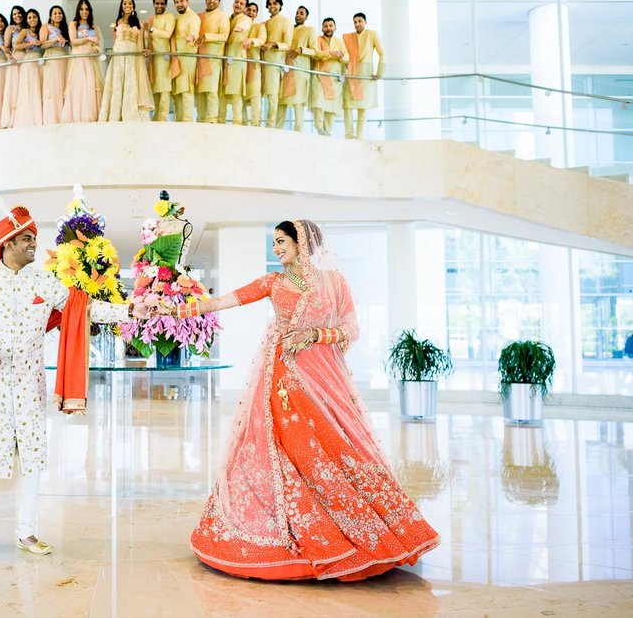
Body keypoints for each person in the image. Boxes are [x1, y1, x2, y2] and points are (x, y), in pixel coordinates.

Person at [166, 219, 440, 580]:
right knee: (291, 447)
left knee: (339, 445)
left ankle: (362, 527)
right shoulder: (272, 283)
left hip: (325, 376)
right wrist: (173, 311)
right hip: (282, 376)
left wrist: (313, 334)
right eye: (274, 243)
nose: (276, 249)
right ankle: (292, 524)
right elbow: (223, 301)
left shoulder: (335, 283)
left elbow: (351, 329)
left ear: (303, 243)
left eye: (281, 242)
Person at [0, 205, 138, 556]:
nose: (34, 244)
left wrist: (130, 310)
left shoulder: (44, 282)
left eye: (35, 238)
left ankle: (27, 532)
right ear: (6, 243)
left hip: (30, 388)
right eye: (27, 238)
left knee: (32, 456)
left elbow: (84, 308)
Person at [98, 0, 153, 121]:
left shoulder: (138, 24)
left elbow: (143, 43)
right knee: (118, 82)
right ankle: (115, 114)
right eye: (125, 3)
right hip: (119, 54)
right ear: (121, 6)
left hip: (132, 55)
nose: (127, 5)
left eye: (130, 3)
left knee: (131, 81)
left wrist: (145, 32)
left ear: (133, 6)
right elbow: (115, 41)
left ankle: (130, 113)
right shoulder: (116, 23)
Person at [343, 12, 386, 140]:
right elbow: (344, 56)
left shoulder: (372, 34)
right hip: (351, 71)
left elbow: (382, 53)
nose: (357, 24)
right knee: (347, 105)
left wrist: (379, 73)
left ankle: (359, 136)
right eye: (355, 22)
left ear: (365, 22)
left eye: (360, 21)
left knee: (363, 106)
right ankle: (349, 135)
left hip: (366, 73)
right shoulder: (348, 37)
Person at [61, 0, 103, 123]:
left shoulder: (95, 27)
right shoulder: (73, 24)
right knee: (79, 84)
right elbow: (73, 41)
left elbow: (98, 43)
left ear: (90, 11)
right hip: (78, 57)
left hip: (91, 58)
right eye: (82, 9)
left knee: (91, 83)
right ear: (78, 10)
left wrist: (96, 49)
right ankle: (77, 115)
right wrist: (87, 39)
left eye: (86, 9)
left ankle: (93, 114)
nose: (84, 12)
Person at [276, 5, 316, 131]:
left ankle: (298, 130)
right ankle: (276, 130)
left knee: (298, 102)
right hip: (285, 70)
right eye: (297, 12)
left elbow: (315, 51)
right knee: (281, 101)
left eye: (302, 13)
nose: (298, 15)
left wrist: (301, 49)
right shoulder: (289, 29)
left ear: (306, 17)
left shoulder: (309, 30)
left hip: (300, 71)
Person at [194, 0, 229, 124]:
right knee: (200, 92)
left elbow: (224, 36)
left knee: (212, 91)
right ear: (206, 0)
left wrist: (206, 36)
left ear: (219, 2)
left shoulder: (222, 16)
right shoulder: (199, 17)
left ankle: (212, 120)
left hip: (213, 59)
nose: (212, 1)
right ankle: (201, 119)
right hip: (199, 58)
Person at [311, 17, 347, 136]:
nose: (328, 28)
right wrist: (332, 54)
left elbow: (346, 58)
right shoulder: (317, 39)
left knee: (331, 108)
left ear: (335, 27)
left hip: (333, 79)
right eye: (325, 26)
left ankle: (327, 134)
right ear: (322, 28)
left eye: (331, 26)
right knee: (318, 103)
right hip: (319, 76)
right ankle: (319, 128)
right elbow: (316, 54)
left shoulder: (339, 42)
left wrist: (340, 56)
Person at [220, 0, 252, 126]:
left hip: (237, 58)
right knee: (222, 92)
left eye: (242, 3)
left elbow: (245, 24)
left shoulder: (245, 19)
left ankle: (237, 121)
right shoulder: (228, 19)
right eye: (236, 2)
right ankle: (220, 120)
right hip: (225, 57)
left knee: (236, 92)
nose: (238, 5)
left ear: (245, 8)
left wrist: (240, 28)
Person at [260, 0, 292, 128]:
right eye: (270, 4)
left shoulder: (286, 22)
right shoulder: (264, 24)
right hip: (262, 62)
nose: (272, 6)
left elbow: (287, 44)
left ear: (280, 5)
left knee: (273, 95)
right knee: (262, 94)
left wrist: (273, 44)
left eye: (275, 3)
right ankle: (261, 124)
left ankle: (271, 126)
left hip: (275, 63)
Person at [144, 0, 176, 121]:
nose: (159, 6)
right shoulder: (151, 19)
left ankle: (162, 118)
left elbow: (167, 34)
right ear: (153, 4)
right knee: (155, 88)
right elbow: (147, 38)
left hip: (164, 57)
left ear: (166, 5)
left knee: (164, 89)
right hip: (152, 58)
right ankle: (155, 118)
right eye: (157, 3)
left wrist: (151, 30)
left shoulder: (170, 17)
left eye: (162, 3)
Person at [171, 0, 201, 122]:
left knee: (187, 89)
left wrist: (192, 37)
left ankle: (187, 121)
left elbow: (195, 32)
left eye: (182, 1)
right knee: (178, 91)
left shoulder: (193, 16)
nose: (179, 4)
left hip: (188, 57)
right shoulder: (178, 18)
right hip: (178, 58)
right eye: (176, 2)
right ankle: (179, 121)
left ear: (188, 2)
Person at [12, 9, 44, 128]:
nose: (32, 19)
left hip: (40, 62)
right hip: (29, 61)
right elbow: (16, 44)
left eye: (34, 17)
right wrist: (31, 44)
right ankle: (29, 118)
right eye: (29, 17)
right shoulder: (25, 31)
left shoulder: (42, 31)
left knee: (40, 87)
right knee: (30, 87)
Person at [40, 5, 70, 125]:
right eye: (55, 13)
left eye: (60, 13)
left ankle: (64, 116)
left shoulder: (65, 29)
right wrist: (55, 40)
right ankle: (52, 118)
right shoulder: (46, 27)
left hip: (65, 59)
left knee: (63, 86)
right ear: (51, 16)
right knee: (53, 87)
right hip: (52, 58)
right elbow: (42, 44)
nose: (58, 15)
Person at [0, 5, 26, 129]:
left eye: (19, 13)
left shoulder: (27, 28)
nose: (17, 16)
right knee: (13, 88)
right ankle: (11, 118)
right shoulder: (10, 29)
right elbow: (6, 46)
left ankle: (23, 116)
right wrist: (9, 57)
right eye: (14, 14)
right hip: (15, 59)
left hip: (27, 60)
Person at [242, 2, 265, 127]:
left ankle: (256, 123)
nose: (251, 12)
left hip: (254, 64)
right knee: (241, 94)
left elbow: (262, 39)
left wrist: (251, 40)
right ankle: (243, 124)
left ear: (256, 14)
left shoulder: (259, 27)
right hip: (240, 63)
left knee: (255, 94)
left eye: (254, 11)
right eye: (249, 10)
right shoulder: (239, 24)